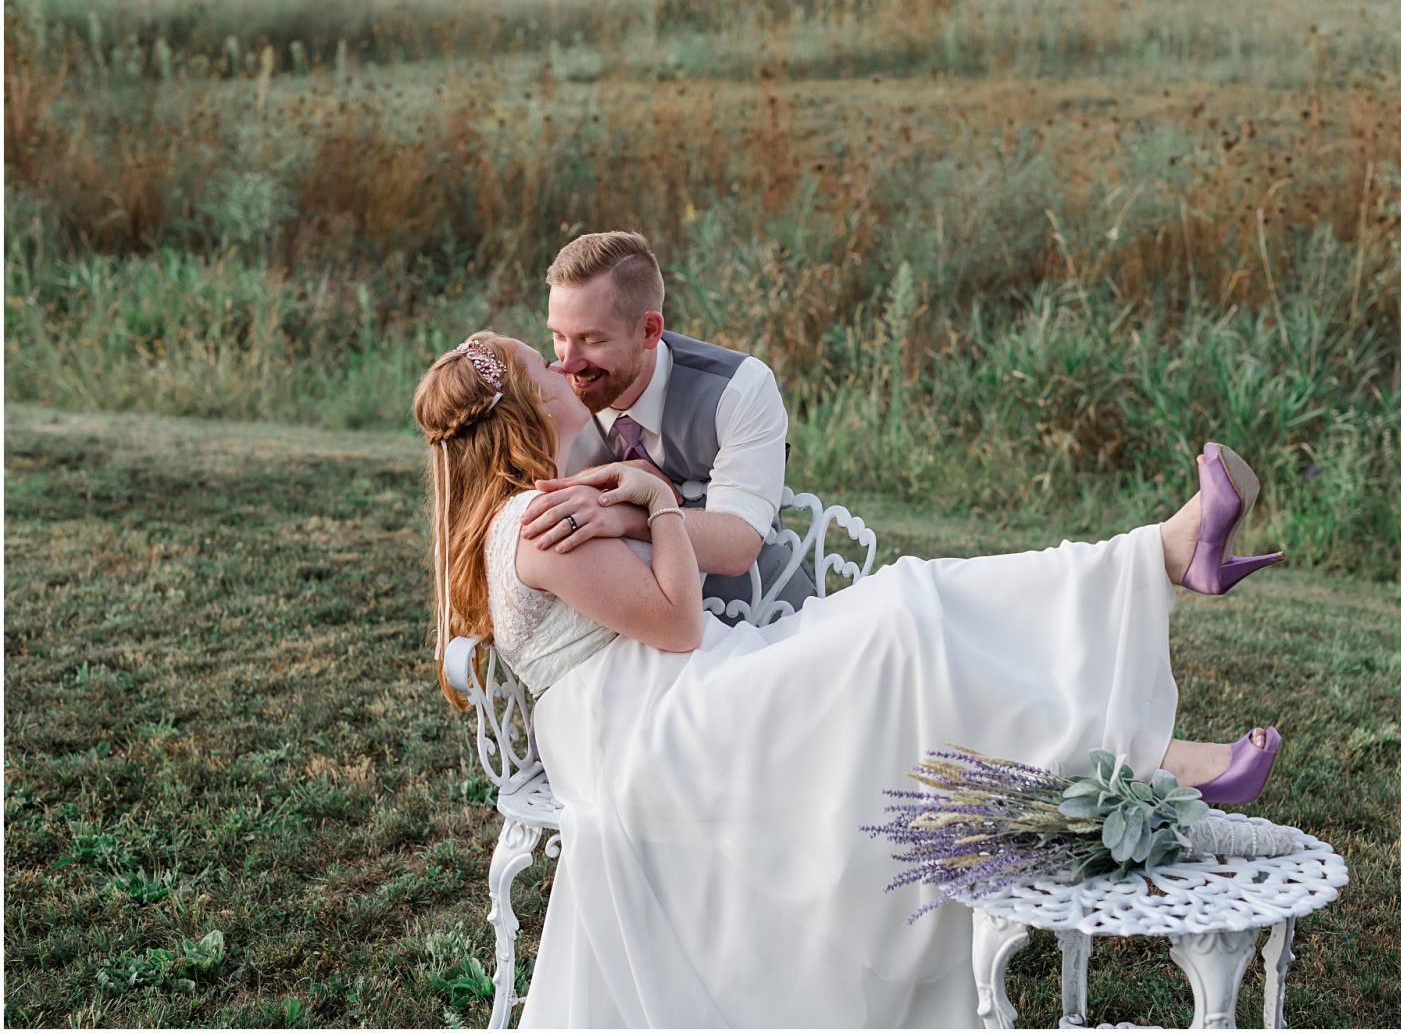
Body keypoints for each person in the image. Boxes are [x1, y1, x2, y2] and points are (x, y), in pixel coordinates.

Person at [414, 333, 1286, 1028]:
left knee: (913, 602)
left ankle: (1163, 561)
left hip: (691, 693)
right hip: (663, 734)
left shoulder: (541, 503)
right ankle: (1153, 731)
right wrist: (657, 497)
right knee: (904, 632)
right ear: (530, 407)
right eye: (544, 364)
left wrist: (641, 498)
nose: (564, 366)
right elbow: (675, 625)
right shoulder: (536, 519)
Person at [517, 230, 814, 620]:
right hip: (626, 634)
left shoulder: (738, 389)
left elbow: (738, 543)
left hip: (766, 622)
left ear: (649, 330)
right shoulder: (551, 397)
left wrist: (624, 512)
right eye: (558, 336)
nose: (568, 362)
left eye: (590, 339)